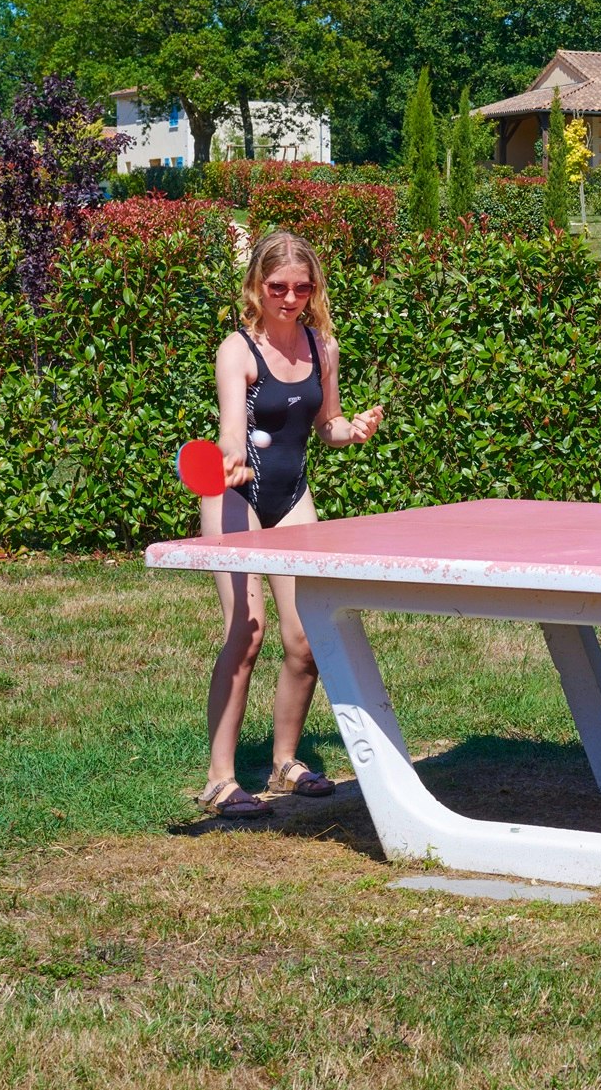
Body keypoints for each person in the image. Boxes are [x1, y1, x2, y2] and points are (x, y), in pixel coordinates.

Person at [197, 229, 384, 819]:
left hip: (291, 494)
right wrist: (229, 456)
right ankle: (220, 779)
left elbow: (324, 424)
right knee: (245, 634)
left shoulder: (322, 347)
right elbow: (233, 424)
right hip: (236, 496)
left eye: (302, 287)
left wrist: (350, 430)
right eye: (278, 286)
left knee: (305, 639)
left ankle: (284, 762)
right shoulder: (237, 348)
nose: (290, 297)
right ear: (257, 284)